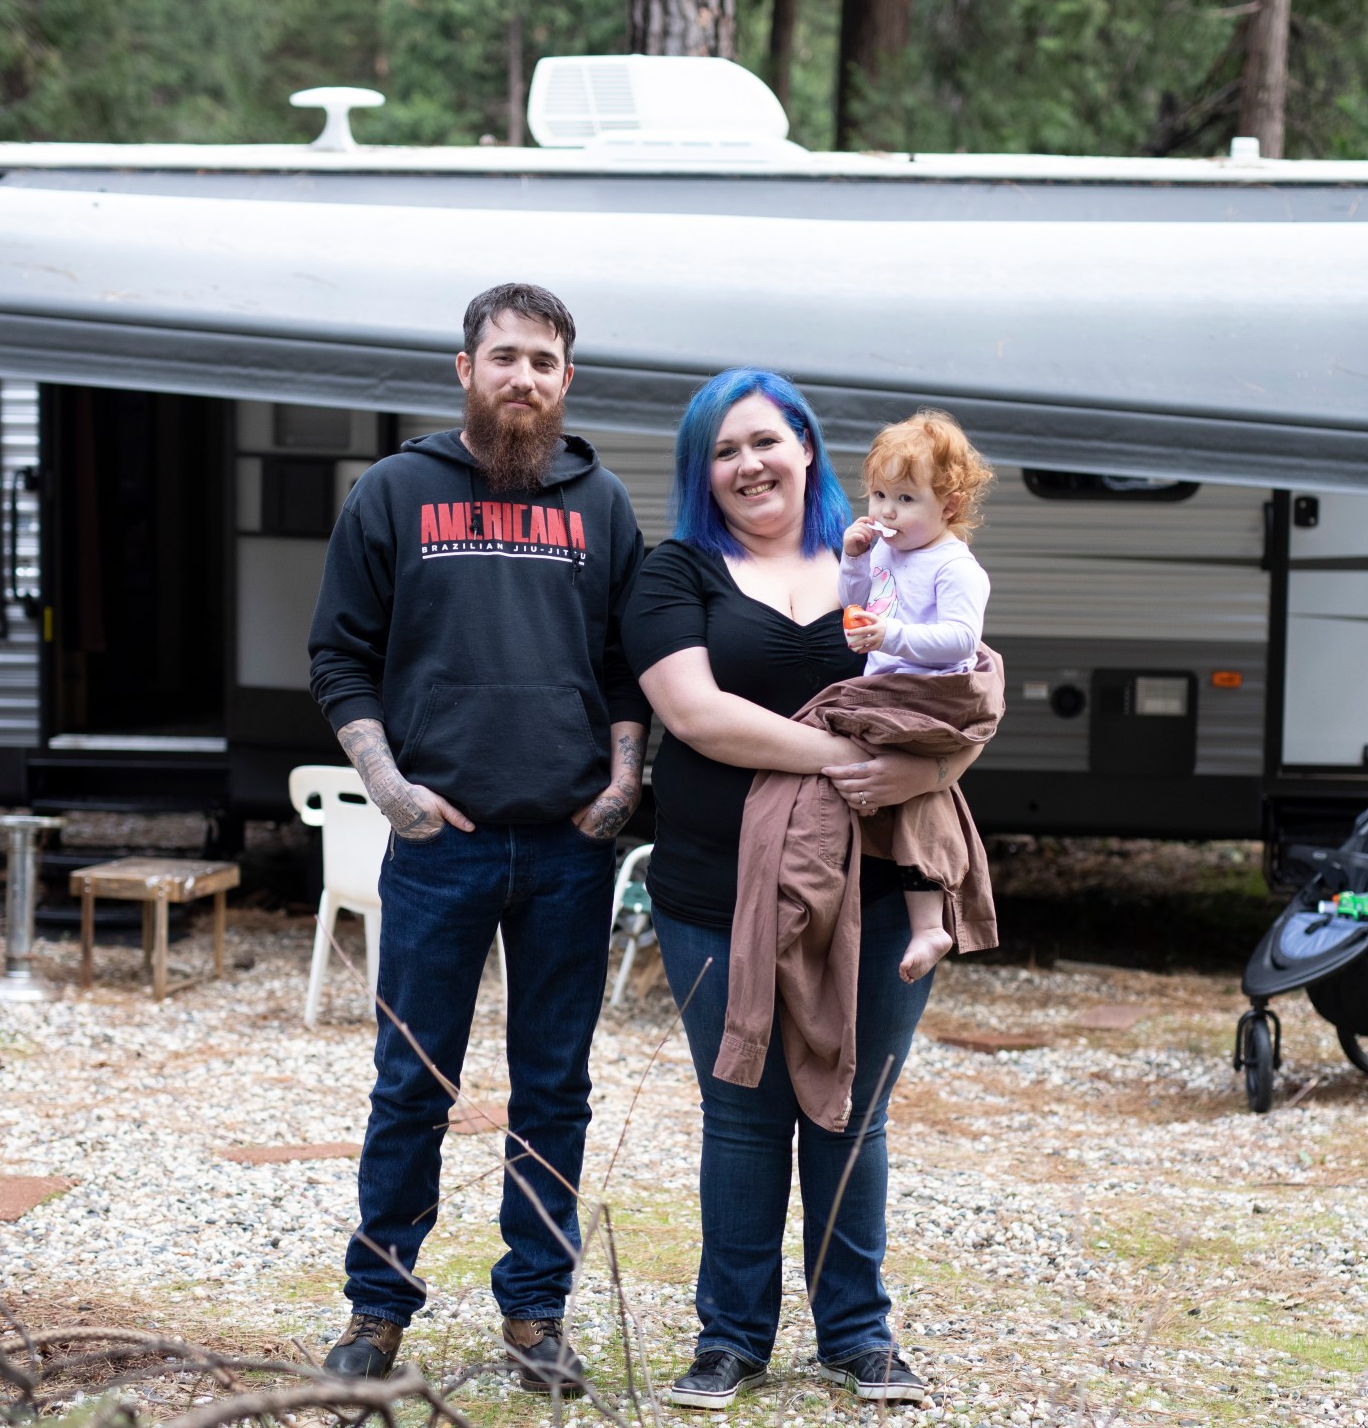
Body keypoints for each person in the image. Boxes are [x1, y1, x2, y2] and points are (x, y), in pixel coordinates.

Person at [306, 283, 648, 1395]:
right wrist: (391, 788)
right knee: (411, 1083)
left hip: (565, 849)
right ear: (464, 369)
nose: (524, 379)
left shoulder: (602, 505)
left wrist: (622, 782)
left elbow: (623, 667)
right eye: (505, 357)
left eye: (544, 363)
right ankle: (376, 1309)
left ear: (565, 381)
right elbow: (338, 656)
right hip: (439, 845)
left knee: (555, 1087)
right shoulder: (395, 493)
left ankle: (536, 1313)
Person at [625, 369, 984, 1411]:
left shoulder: (888, 560)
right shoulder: (675, 572)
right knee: (741, 1116)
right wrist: (841, 756)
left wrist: (928, 771)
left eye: (766, 442)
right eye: (724, 450)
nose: (748, 465)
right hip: (713, 890)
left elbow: (956, 698)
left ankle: (857, 1338)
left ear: (809, 448)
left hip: (871, 885)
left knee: (850, 1114)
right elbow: (696, 717)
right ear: (704, 472)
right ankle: (730, 1340)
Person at [838, 409, 998, 984]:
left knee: (914, 792)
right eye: (878, 494)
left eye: (905, 499)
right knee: (898, 793)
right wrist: (854, 558)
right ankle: (908, 914)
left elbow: (960, 638)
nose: (884, 512)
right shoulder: (885, 548)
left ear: (948, 506)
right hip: (888, 685)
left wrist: (893, 637)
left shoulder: (955, 566)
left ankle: (930, 922)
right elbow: (853, 601)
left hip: (934, 692)